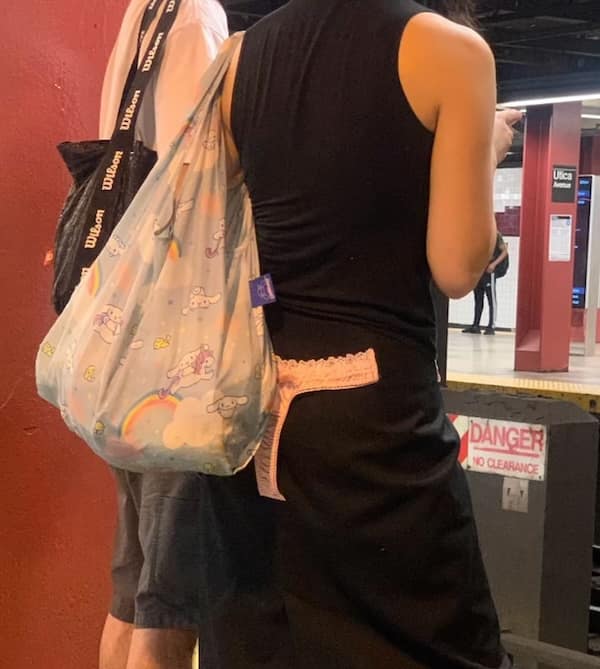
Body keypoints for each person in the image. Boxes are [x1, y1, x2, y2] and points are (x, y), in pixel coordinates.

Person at [201, 0, 522, 667]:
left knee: (268, 643)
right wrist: (486, 152)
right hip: (373, 427)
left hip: (254, 414)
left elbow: (233, 243)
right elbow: (457, 266)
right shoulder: (453, 53)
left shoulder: (235, 59)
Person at [97, 2, 227, 669]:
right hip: (174, 351)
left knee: (132, 587)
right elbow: (193, 180)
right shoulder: (197, 17)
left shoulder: (144, 13)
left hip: (124, 345)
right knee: (169, 601)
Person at [463, 232, 509, 335]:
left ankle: (491, 326)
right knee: (478, 298)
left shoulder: (495, 234)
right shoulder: (475, 234)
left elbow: (505, 251)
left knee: (491, 299)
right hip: (479, 270)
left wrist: (494, 264)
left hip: (489, 270)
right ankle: (476, 325)